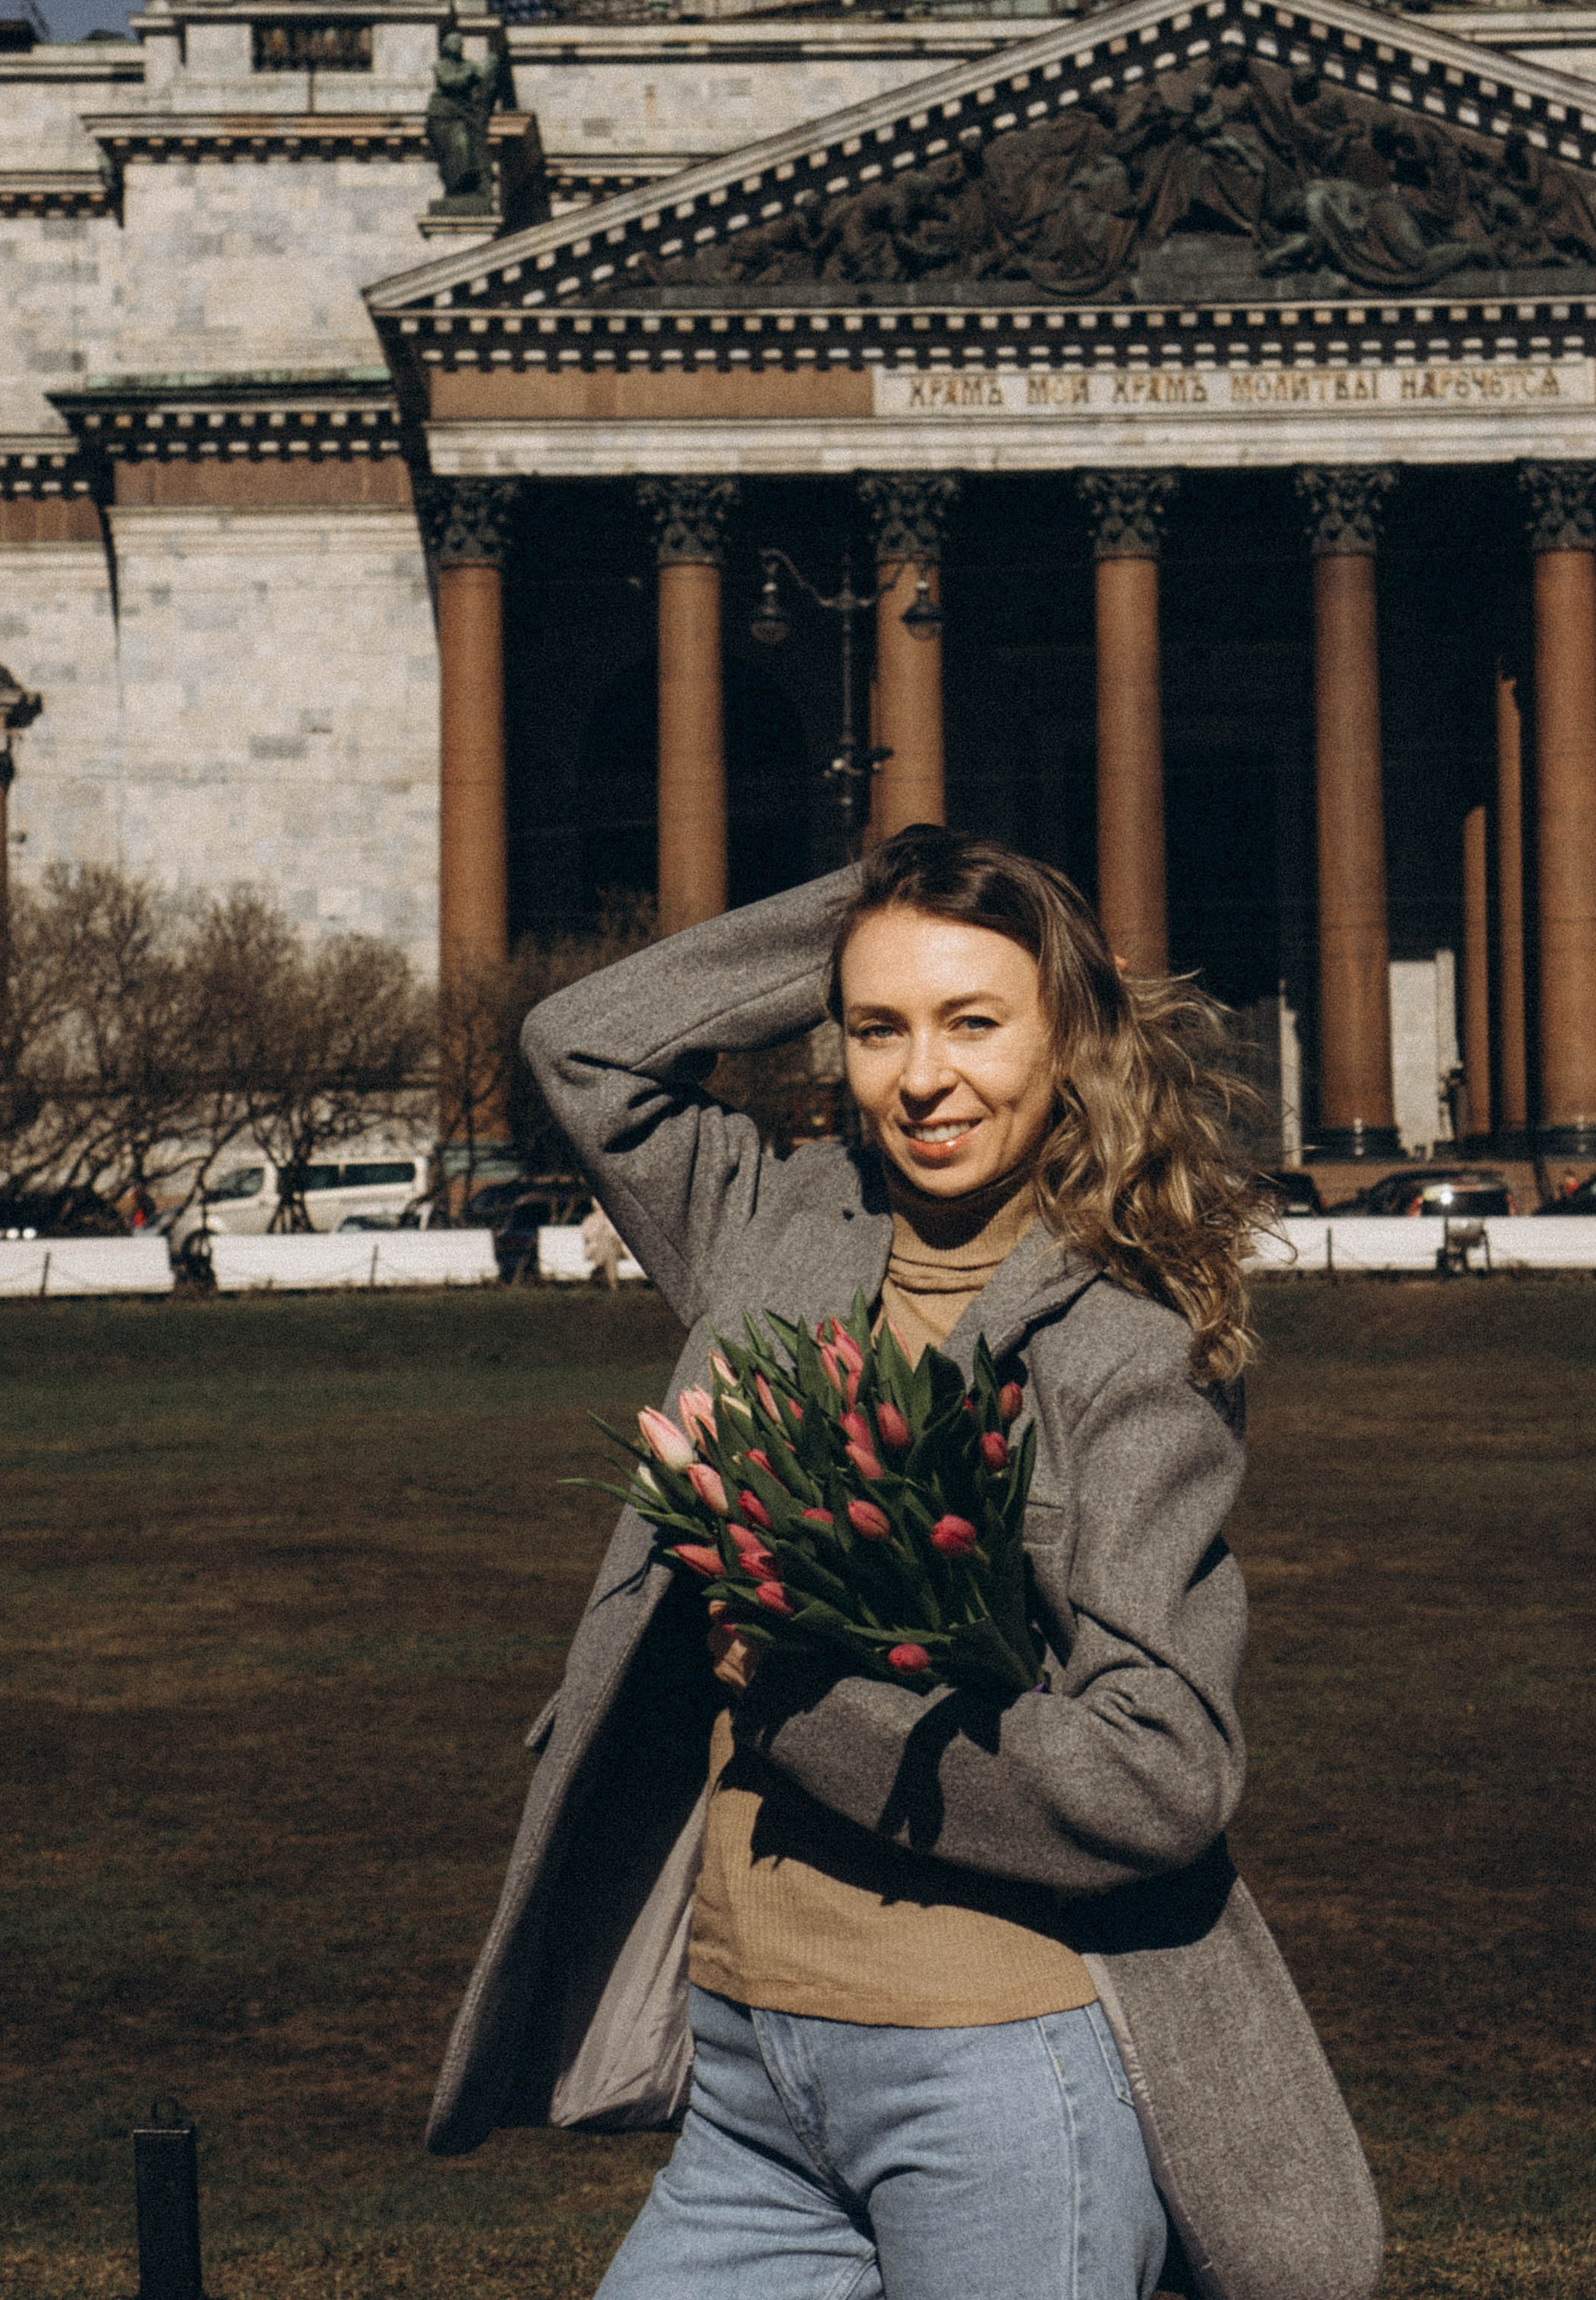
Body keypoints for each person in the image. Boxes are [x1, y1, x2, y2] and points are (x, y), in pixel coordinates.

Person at [428, 831, 1383, 2300]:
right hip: (751, 2070)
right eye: (878, 1028)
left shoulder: (1132, 1345)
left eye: (976, 1021)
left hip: (996, 2069)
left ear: (1070, 1037)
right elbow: (584, 1046)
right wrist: (889, 890)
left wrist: (807, 1697)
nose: (921, 1078)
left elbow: (1158, 1772)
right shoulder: (789, 1222)